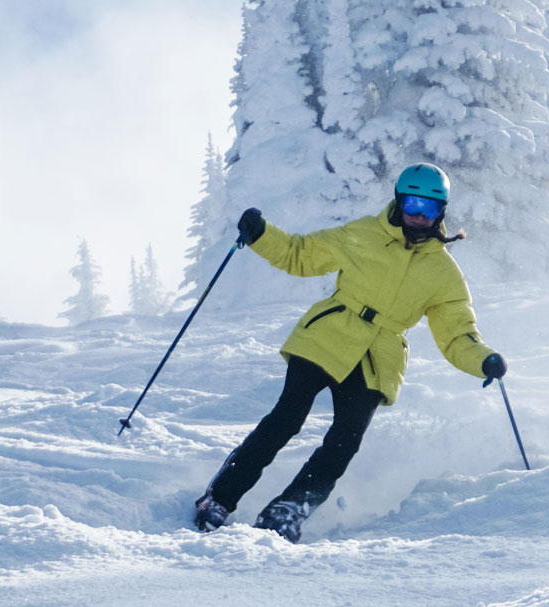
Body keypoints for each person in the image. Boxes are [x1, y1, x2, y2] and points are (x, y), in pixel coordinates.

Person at [194, 163, 507, 542]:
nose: (418, 216)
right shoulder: (363, 234)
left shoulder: (444, 273)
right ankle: (219, 498)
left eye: (428, 208)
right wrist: (261, 235)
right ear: (398, 200)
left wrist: (482, 360)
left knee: (345, 440)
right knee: (286, 419)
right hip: (327, 334)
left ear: (442, 211)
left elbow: (457, 332)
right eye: (411, 204)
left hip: (379, 357)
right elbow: (300, 254)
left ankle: (290, 507)